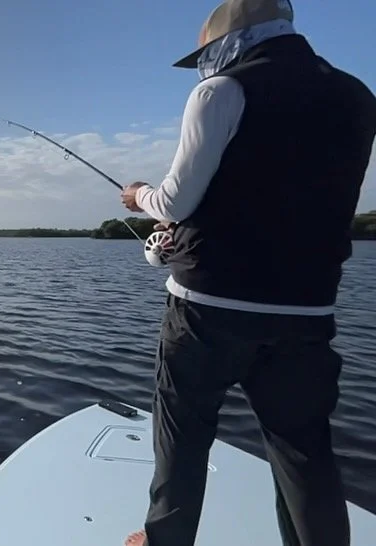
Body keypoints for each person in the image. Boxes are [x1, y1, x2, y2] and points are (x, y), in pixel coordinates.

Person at [117, 0, 376, 544]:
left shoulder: (220, 91)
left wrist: (139, 195)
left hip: (207, 311)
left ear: (229, 40)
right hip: (308, 312)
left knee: (182, 438)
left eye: (207, 53)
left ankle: (165, 540)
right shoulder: (358, 95)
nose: (206, 66)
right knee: (305, 452)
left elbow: (177, 200)